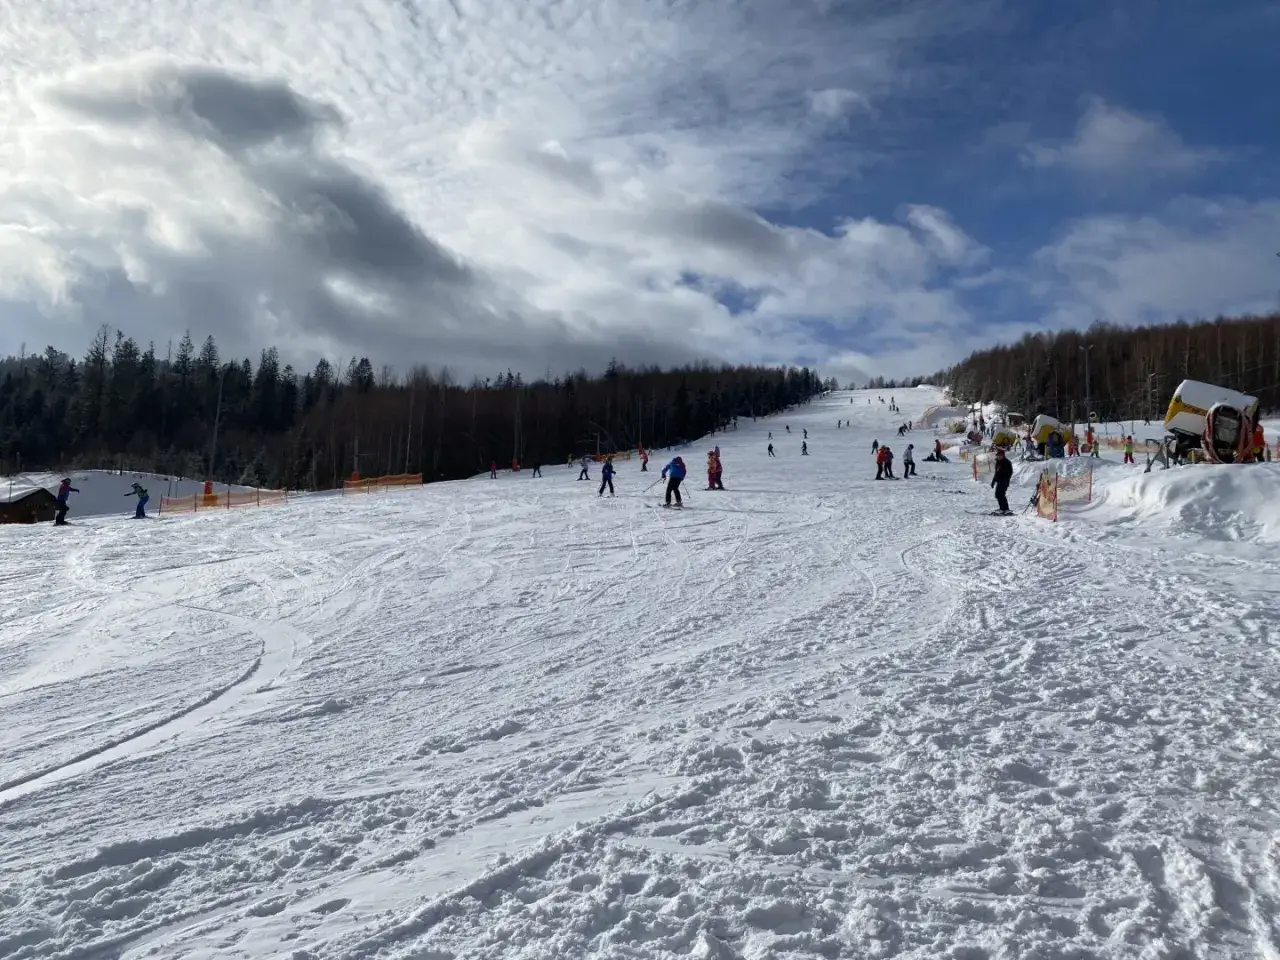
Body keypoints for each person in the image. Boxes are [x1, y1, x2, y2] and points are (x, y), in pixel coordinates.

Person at [991, 448, 1013, 514]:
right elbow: (996, 473)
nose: (998, 456)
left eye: (1000, 455)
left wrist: (1005, 477)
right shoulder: (998, 462)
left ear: (1003, 455)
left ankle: (1005, 509)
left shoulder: (1006, 462)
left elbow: (1010, 472)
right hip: (999, 481)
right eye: (997, 455)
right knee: (998, 495)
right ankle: (1002, 508)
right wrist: (993, 481)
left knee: (1001, 494)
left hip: (1004, 481)